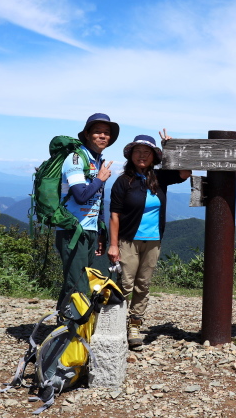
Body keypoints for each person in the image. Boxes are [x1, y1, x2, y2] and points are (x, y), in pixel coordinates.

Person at [108, 131, 191, 349]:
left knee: (143, 285)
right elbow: (114, 215)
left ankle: (134, 326)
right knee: (125, 284)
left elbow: (185, 173)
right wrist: (113, 244)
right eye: (138, 152)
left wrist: (172, 149)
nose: (142, 156)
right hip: (128, 240)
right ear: (131, 155)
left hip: (153, 240)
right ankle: (115, 324)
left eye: (147, 152)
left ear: (154, 156)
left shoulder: (160, 178)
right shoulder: (123, 181)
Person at [56, 113, 118, 308]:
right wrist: (100, 178)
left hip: (88, 231)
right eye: (97, 132)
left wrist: (100, 232)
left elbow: (97, 199)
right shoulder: (75, 159)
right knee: (78, 284)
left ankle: (64, 326)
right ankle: (72, 333)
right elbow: (80, 195)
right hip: (72, 230)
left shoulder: (98, 161)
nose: (102, 136)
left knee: (78, 281)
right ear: (87, 134)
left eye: (106, 133)